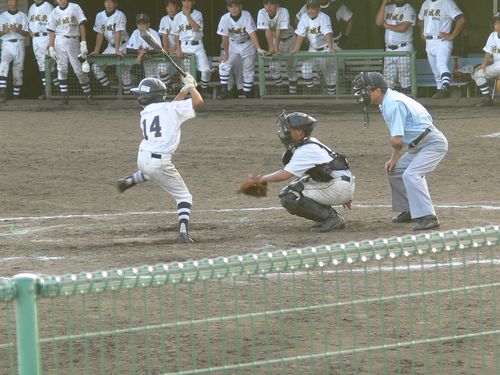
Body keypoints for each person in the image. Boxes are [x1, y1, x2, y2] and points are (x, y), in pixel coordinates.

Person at [352, 72, 448, 230]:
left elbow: (397, 139)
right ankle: (411, 210)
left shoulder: (393, 103)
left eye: (365, 90)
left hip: (432, 143)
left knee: (411, 175)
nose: (363, 95)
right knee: (395, 170)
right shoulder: (386, 101)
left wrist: (395, 153)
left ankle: (428, 216)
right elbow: (399, 138)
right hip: (418, 145)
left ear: (377, 91)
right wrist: (394, 159)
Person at [116, 73, 203, 244]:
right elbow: (198, 101)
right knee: (184, 197)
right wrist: (191, 87)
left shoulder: (147, 112)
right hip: (159, 161)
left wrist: (184, 91)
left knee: (151, 171)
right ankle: (183, 233)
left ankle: (127, 182)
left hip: (142, 157)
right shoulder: (171, 110)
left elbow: (173, 106)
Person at [255, 111, 354, 232]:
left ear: (299, 132)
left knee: (290, 196)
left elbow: (284, 175)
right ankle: (329, 215)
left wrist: (262, 178)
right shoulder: (309, 142)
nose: (285, 132)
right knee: (296, 185)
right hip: (339, 183)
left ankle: (332, 219)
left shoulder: (305, 150)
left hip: (338, 186)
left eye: (288, 129)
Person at [47, 0, 96, 105]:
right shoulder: (54, 12)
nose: (60, 0)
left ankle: (88, 95)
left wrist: (83, 42)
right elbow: (52, 31)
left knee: (79, 69)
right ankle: (64, 96)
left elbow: (82, 25)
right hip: (59, 40)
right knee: (62, 69)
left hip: (74, 40)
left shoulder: (75, 7)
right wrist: (51, 47)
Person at [216, 0, 267, 99]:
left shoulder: (246, 15)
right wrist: (226, 53)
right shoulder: (224, 18)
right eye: (231, 6)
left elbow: (252, 33)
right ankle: (224, 90)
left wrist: (258, 48)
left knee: (248, 70)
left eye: (236, 6)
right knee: (224, 65)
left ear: (241, 7)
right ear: (228, 8)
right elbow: (225, 38)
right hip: (233, 44)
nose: (234, 8)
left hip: (247, 44)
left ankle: (247, 93)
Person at [418, 0, 465, 99]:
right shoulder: (426, 3)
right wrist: (422, 32)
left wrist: (452, 36)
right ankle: (441, 90)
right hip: (429, 41)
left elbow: (461, 20)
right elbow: (421, 19)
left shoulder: (447, 2)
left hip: (442, 41)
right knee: (435, 71)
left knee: (441, 65)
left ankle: (445, 86)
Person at [291, 0, 337, 95]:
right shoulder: (304, 17)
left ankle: (332, 98)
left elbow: (327, 33)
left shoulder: (324, 17)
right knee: (305, 68)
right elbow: (300, 34)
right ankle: (312, 91)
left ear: (319, 8)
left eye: (313, 8)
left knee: (329, 77)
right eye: (309, 8)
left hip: (325, 49)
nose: (311, 10)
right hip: (312, 49)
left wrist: (331, 48)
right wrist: (296, 48)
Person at [88, 0, 132, 95]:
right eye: (107, 2)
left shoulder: (120, 15)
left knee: (124, 71)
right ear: (104, 3)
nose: (108, 4)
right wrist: (96, 50)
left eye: (111, 2)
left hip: (124, 45)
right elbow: (100, 34)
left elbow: (118, 33)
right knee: (95, 67)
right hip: (110, 46)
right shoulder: (99, 15)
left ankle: (128, 95)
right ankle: (109, 88)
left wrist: (117, 50)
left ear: (116, 4)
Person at [375, 0, 416, 95]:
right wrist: (383, 4)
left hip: (404, 48)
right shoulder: (388, 7)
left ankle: (407, 102)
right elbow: (378, 22)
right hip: (389, 49)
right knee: (387, 81)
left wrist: (387, 25)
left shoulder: (409, 9)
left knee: (405, 79)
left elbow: (403, 28)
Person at [257, 0, 297, 94]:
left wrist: (276, 48)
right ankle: (280, 89)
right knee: (273, 66)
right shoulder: (261, 12)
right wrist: (272, 48)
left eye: (271, 3)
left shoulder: (283, 11)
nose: (268, 6)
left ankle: (293, 92)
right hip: (275, 39)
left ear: (277, 5)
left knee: (291, 66)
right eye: (266, 4)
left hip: (289, 39)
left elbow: (279, 30)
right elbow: (267, 31)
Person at [172, 0, 211, 97]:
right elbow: (176, 34)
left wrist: (188, 15)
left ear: (193, 2)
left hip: (198, 45)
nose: (186, 3)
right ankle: (190, 92)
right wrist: (178, 48)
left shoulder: (198, 14)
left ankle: (204, 89)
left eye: (189, 1)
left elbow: (196, 28)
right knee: (186, 73)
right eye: (184, 1)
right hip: (184, 46)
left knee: (206, 70)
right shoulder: (177, 17)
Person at [28, 0, 59, 100]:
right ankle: (47, 90)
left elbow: (54, 24)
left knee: (51, 64)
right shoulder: (32, 7)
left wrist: (51, 42)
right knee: (41, 65)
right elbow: (29, 24)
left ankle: (57, 89)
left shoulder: (48, 6)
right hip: (36, 38)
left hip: (46, 37)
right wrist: (33, 37)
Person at [0, 0, 29, 103]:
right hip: (6, 44)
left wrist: (17, 30)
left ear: (17, 3)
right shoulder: (2, 16)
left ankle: (16, 96)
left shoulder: (23, 16)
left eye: (15, 1)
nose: (13, 3)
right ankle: (2, 93)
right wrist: (4, 31)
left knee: (18, 69)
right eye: (11, 1)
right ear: (8, 2)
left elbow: (26, 34)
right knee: (3, 64)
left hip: (19, 43)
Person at [127, 13, 166, 84]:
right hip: (146, 62)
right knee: (149, 80)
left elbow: (159, 50)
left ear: (148, 24)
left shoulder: (153, 33)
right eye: (139, 24)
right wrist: (141, 52)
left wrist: (144, 52)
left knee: (159, 78)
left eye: (143, 24)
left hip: (156, 61)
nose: (141, 26)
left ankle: (167, 90)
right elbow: (128, 50)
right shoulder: (135, 32)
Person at [471, 12, 500, 107]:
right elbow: (488, 52)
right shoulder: (493, 35)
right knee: (478, 73)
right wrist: (483, 65)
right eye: (495, 23)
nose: (497, 25)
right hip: (497, 65)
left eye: (499, 22)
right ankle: (487, 98)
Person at [158, 0, 181, 92]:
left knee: (186, 73)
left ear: (178, 8)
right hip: (169, 51)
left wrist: (175, 48)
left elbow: (183, 36)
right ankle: (170, 87)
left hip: (182, 49)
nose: (170, 8)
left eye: (173, 6)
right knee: (161, 68)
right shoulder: (164, 19)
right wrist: (166, 50)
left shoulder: (182, 18)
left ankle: (186, 92)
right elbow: (164, 36)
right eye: (168, 6)